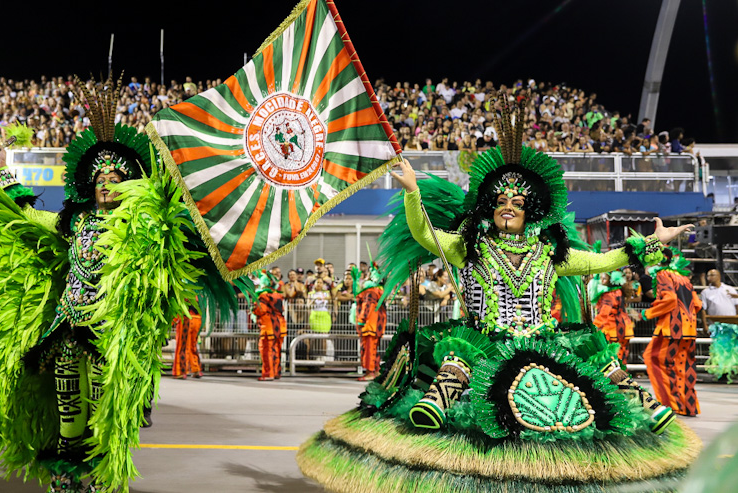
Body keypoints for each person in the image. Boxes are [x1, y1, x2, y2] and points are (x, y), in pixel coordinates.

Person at [298, 91, 699, 493]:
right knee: (459, 359)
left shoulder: (551, 254)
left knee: (599, 366)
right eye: (500, 201)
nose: (508, 206)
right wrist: (412, 192)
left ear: (531, 211)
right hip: (484, 342)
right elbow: (424, 233)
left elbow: (604, 260)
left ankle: (640, 408)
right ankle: (435, 407)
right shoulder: (466, 246)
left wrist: (652, 241)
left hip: (543, 344)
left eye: (517, 202)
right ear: (490, 207)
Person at [0, 77, 248, 493]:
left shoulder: (142, 225)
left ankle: (99, 476)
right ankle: (67, 477)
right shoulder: (73, 221)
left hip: (105, 333)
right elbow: (28, 214)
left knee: (100, 409)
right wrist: (4, 170)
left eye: (115, 177)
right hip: (64, 329)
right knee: (68, 408)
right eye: (100, 177)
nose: (106, 183)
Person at [641, 248, 703, 417]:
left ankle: (670, 405)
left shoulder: (662, 274)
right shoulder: (683, 277)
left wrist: (648, 313)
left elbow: (669, 299)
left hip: (672, 328)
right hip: (689, 328)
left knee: (654, 359)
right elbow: (697, 304)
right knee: (684, 365)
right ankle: (688, 407)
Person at [590, 270, 635, 366]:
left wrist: (593, 327)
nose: (602, 280)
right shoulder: (619, 292)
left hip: (612, 329)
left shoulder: (609, 294)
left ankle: (616, 379)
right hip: (624, 329)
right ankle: (623, 378)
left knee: (612, 359)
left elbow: (604, 313)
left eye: (605, 278)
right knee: (622, 357)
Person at [354, 264, 386, 382]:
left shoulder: (371, 291)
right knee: (373, 349)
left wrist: (361, 321)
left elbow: (367, 307)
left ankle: (370, 372)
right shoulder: (379, 291)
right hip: (376, 325)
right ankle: (376, 371)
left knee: (368, 350)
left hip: (369, 325)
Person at [253, 271, 287, 381]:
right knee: (276, 350)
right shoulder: (278, 295)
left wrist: (253, 308)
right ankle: (276, 372)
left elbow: (260, 310)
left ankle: (268, 374)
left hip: (268, 327)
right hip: (280, 326)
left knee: (267, 351)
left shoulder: (263, 296)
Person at [172, 306, 203, 379]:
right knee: (193, 345)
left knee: (183, 346)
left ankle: (181, 371)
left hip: (187, 317)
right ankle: (196, 369)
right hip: (198, 319)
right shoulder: (200, 294)